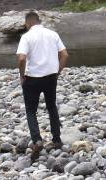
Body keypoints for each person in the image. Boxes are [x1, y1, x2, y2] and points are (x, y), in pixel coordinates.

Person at [16, 10, 68, 154]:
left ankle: (37, 140)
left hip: (32, 78)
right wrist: (57, 71)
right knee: (52, 107)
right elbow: (64, 55)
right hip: (51, 76)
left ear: (28, 22)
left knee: (31, 110)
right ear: (39, 21)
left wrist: (21, 75)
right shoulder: (53, 34)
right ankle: (56, 140)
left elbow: (21, 59)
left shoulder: (26, 37)